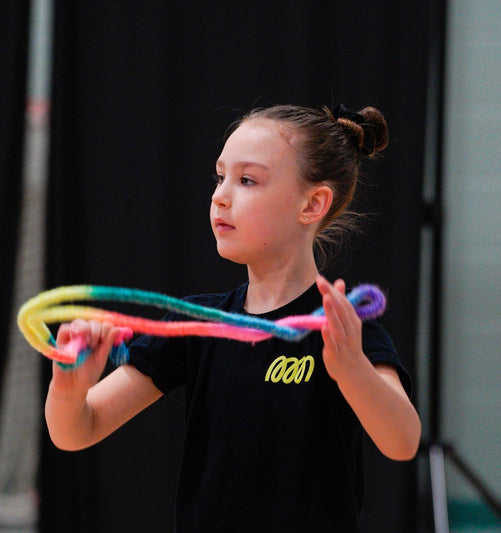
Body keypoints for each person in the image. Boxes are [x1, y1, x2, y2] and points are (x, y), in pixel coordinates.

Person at [45, 104, 421, 532]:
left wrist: (352, 369)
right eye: (220, 176)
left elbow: (403, 441)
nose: (220, 195)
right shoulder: (199, 326)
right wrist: (68, 388)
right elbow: (76, 430)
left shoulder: (342, 329)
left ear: (313, 204)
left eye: (247, 180)